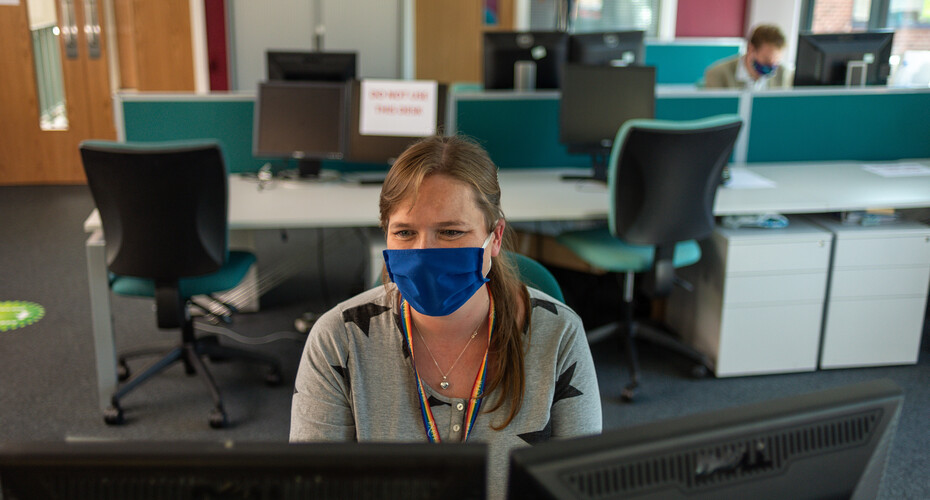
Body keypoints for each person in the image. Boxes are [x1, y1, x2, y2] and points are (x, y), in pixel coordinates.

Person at [290, 135, 602, 498]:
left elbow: (581, 488)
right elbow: (311, 488)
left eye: (451, 232)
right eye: (405, 233)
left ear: (495, 236)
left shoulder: (558, 334)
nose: (424, 253)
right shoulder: (339, 339)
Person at [704, 24, 793, 90]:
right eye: (766, 60)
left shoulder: (784, 74)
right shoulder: (718, 74)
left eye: (776, 62)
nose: (771, 66)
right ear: (751, 49)